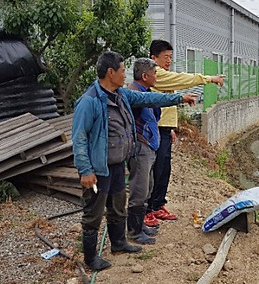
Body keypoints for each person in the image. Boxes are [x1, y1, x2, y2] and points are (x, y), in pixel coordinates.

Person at [72, 51, 196, 271]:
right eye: (121, 70)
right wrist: (85, 170)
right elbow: (79, 138)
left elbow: (149, 98)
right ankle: (91, 258)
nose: (124, 75)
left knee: (118, 206)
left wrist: (179, 98)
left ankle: (119, 243)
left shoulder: (121, 95)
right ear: (111, 72)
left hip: (118, 163)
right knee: (93, 213)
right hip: (99, 168)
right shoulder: (89, 101)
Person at [146, 40, 225, 225]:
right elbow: (180, 80)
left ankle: (157, 205)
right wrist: (207, 79)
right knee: (155, 170)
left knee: (165, 169)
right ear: (153, 58)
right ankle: (148, 209)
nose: (169, 61)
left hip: (164, 128)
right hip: (155, 128)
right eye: (166, 57)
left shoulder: (161, 75)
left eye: (171, 57)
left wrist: (171, 128)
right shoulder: (155, 74)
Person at [126, 58, 197, 244]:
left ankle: (140, 225)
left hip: (149, 148)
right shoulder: (135, 93)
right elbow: (156, 100)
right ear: (144, 76)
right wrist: (180, 98)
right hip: (140, 148)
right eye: (154, 73)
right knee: (139, 190)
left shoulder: (146, 91)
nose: (157, 77)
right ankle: (134, 231)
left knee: (147, 188)